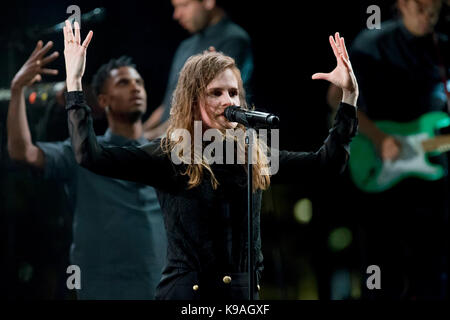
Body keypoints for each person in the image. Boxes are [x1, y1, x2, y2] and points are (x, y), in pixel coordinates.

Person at [63, 19, 358, 300]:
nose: (229, 101)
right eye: (216, 93)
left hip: (243, 295)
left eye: (233, 93)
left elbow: (326, 164)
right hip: (187, 294)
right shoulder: (169, 154)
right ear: (193, 101)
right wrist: (75, 83)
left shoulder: (251, 154)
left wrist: (348, 97)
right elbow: (90, 156)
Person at [7, 39, 167, 299]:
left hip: (159, 286)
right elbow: (22, 152)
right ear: (103, 99)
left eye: (139, 82)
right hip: (103, 287)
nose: (135, 88)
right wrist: (17, 90)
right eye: (123, 83)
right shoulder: (80, 153)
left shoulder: (161, 155)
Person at [327, 0, 449, 299]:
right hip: (379, 162)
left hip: (433, 173)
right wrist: (380, 138)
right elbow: (336, 97)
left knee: (433, 266)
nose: (428, 16)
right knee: (381, 265)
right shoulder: (374, 42)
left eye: (435, 10)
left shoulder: (443, 48)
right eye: (421, 7)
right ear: (403, 4)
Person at [143, 0, 254, 140]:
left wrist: (152, 137)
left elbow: (211, 107)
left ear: (208, 2)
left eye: (184, 5)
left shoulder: (234, 39)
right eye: (175, 7)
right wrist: (140, 131)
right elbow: (168, 103)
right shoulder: (186, 45)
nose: (176, 15)